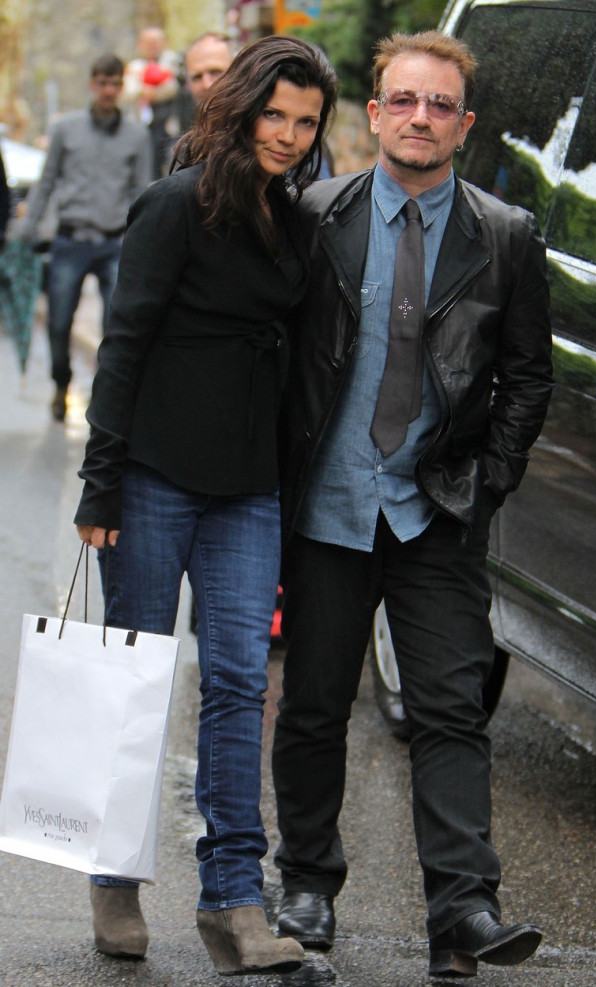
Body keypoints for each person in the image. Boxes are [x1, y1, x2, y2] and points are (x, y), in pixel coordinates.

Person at [271, 30, 553, 981]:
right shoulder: (313, 216)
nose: (420, 117)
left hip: (435, 512)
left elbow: (527, 381)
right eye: (404, 100)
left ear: (464, 125)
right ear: (376, 111)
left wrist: (484, 486)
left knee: (451, 709)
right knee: (312, 706)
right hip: (328, 508)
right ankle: (306, 884)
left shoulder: (504, 237)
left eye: (440, 105)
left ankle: (464, 908)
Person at [73, 34, 337, 977]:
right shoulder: (176, 204)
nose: (290, 135)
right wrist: (100, 481)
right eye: (277, 114)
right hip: (147, 478)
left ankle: (233, 900)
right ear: (243, 107)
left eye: (306, 123)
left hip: (246, 490)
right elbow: (125, 343)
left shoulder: (298, 222)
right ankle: (115, 874)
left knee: (236, 684)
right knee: (136, 678)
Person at [20, 54, 152, 422]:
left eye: (115, 84)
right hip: (71, 240)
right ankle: (61, 383)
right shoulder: (66, 129)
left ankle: (106, 400)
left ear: (121, 87)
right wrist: (27, 230)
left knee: (114, 327)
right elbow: (46, 182)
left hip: (114, 243)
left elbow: (142, 192)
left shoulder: (136, 136)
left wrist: (140, 243)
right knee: (59, 322)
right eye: (102, 83)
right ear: (92, 84)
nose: (109, 91)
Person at [122, 26, 183, 178]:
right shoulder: (135, 66)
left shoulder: (171, 61)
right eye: (148, 42)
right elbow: (128, 91)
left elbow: (172, 87)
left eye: (155, 42)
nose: (152, 46)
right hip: (143, 126)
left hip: (168, 127)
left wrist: (148, 90)